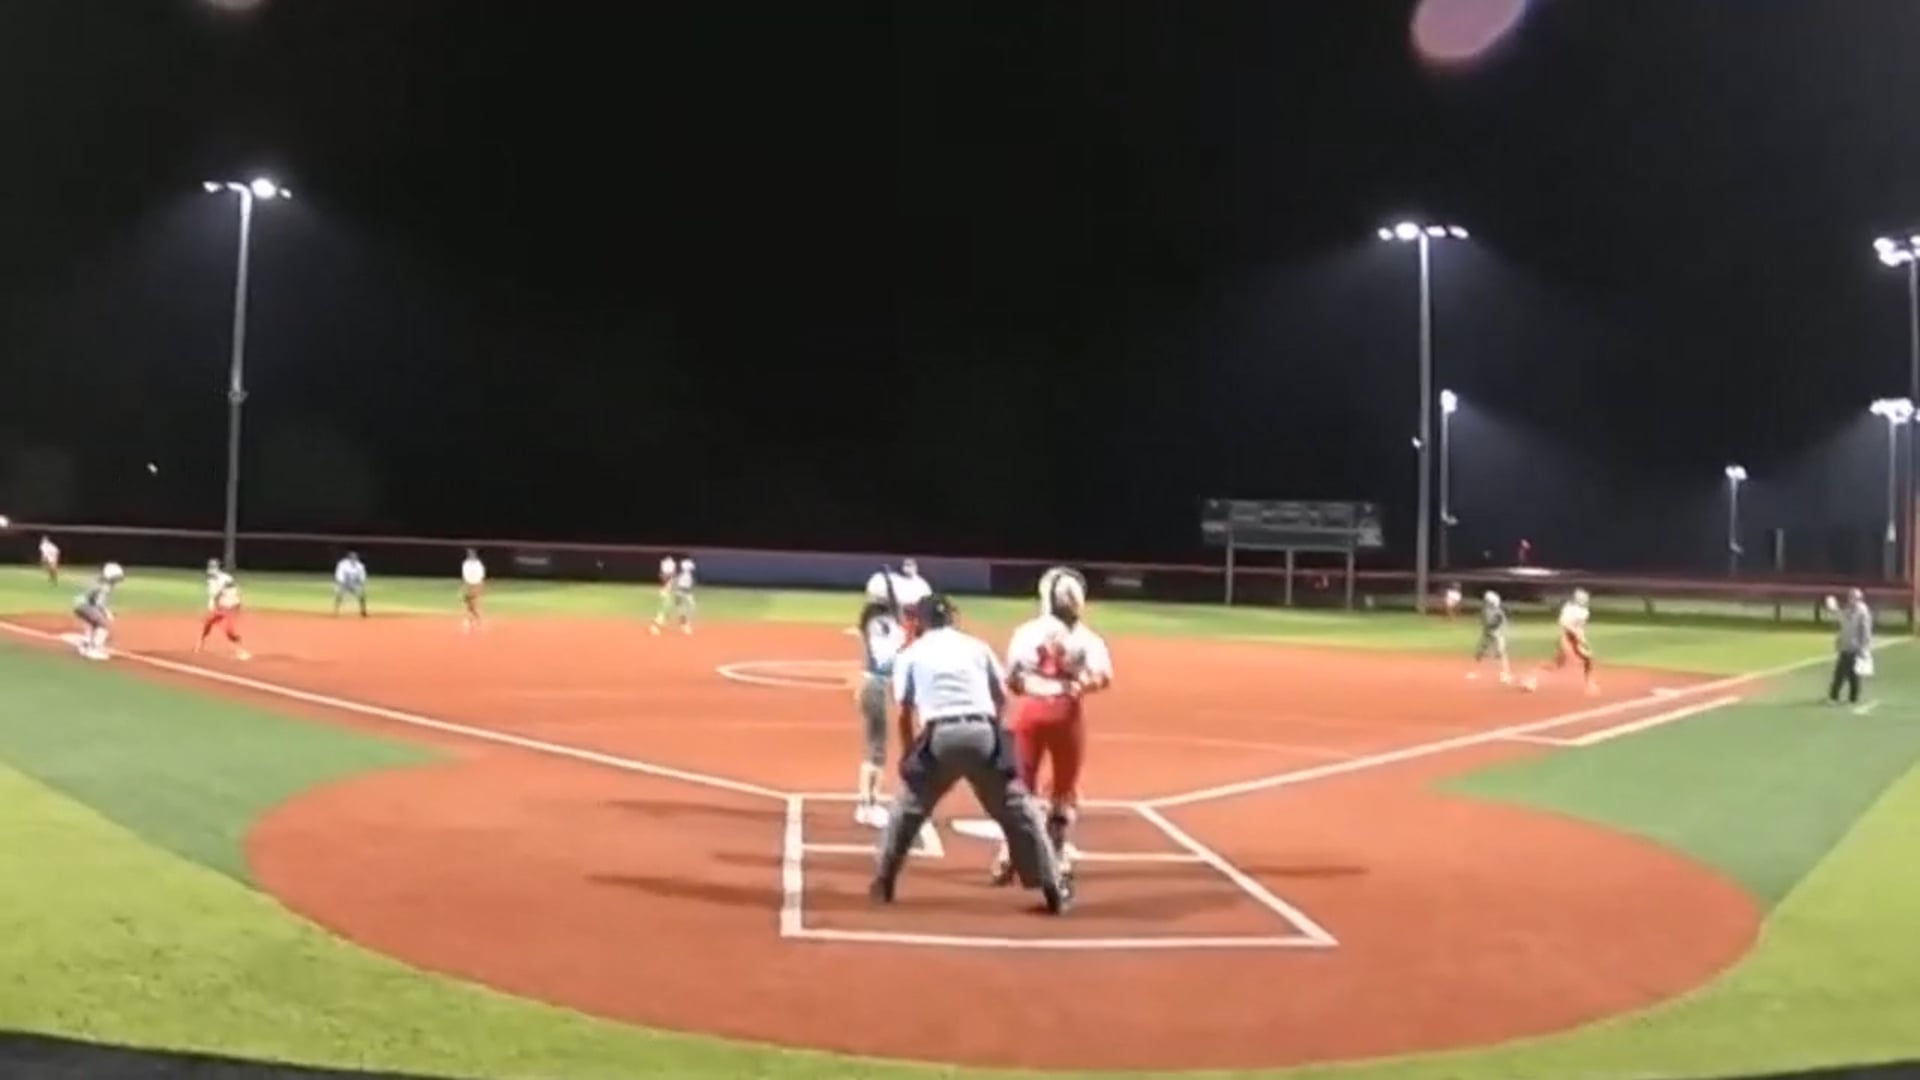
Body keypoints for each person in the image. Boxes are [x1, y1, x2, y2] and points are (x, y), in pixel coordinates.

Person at [871, 593, 1069, 914]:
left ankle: (884, 880)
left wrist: (909, 756)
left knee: (907, 809)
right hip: (983, 731)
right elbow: (1000, 696)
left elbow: (904, 713)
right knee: (1020, 811)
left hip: (941, 736)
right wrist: (993, 736)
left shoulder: (910, 653)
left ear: (921, 622)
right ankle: (1052, 887)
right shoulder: (977, 646)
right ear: (952, 618)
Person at [990, 566, 1112, 888]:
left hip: (1031, 712)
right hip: (1067, 714)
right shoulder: (1088, 638)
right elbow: (1102, 677)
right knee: (1063, 788)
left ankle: (1009, 852)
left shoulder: (1026, 632)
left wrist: (1037, 685)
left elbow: (1013, 680)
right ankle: (1057, 854)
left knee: (1022, 786)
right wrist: (1077, 684)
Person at [852, 598, 909, 826]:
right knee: (877, 749)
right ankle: (867, 806)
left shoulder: (874, 624)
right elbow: (891, 657)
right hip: (875, 687)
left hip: (871, 686)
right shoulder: (887, 627)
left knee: (876, 747)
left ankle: (867, 803)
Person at [1524, 587, 1596, 694]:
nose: (1586, 600)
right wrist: (1576, 634)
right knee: (1556, 665)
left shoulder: (1585, 612)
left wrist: (1582, 639)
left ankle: (1589, 683)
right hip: (1566, 638)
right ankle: (1533, 676)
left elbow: (1580, 627)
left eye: (1586, 598)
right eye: (1583, 598)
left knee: (1588, 659)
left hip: (1576, 639)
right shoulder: (1569, 608)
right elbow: (1564, 623)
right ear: (1577, 599)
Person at [863, 559, 931, 640]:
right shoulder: (894, 579)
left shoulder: (921, 583)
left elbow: (926, 601)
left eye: (910, 566)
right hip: (895, 612)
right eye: (907, 565)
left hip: (909, 613)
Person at [197, 559, 250, 660]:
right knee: (207, 622)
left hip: (231, 607)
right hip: (221, 606)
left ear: (218, 568)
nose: (211, 569)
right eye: (210, 567)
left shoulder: (226, 578)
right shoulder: (211, 581)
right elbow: (213, 595)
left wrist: (238, 601)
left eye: (213, 567)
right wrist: (212, 604)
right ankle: (200, 643)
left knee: (229, 631)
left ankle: (240, 649)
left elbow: (225, 591)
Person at [1828, 588, 1874, 706]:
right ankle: (1845, 697)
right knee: (1846, 673)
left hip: (1855, 647)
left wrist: (1864, 647)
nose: (1851, 600)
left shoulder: (1862, 612)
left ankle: (1841, 697)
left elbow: (1865, 630)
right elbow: (1843, 623)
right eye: (1850, 597)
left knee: (1847, 674)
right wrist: (1839, 640)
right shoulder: (1848, 609)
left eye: (1854, 597)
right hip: (1846, 646)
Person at [71, 562, 125, 661]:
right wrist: (107, 613)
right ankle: (94, 649)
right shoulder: (106, 586)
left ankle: (85, 646)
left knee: (93, 624)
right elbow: (99, 604)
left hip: (79, 605)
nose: (117, 580)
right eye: (116, 577)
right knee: (104, 625)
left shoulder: (99, 581)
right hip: (85, 606)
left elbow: (90, 596)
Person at [1466, 590, 1512, 684]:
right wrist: (1496, 622)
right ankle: (1473, 671)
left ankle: (1505, 674)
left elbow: (1503, 623)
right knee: (1480, 652)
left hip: (1497, 634)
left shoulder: (1498, 611)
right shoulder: (1486, 611)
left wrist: (1500, 625)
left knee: (1501, 653)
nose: (1486, 602)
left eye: (1487, 601)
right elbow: (1488, 623)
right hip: (1487, 634)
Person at [653, 556, 696, 634]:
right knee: (667, 610)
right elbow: (674, 584)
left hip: (677, 595)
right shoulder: (684, 576)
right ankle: (655, 626)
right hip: (673, 594)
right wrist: (666, 589)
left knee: (680, 610)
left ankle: (685, 626)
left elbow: (683, 587)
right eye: (690, 568)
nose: (692, 570)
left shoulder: (684, 575)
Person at [333, 551, 369, 617]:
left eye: (355, 558)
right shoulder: (342, 564)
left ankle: (363, 611)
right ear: (348, 558)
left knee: (361, 594)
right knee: (339, 594)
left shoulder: (360, 566)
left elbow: (362, 576)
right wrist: (342, 583)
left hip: (355, 583)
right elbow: (339, 575)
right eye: (352, 558)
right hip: (344, 583)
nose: (353, 559)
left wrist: (361, 583)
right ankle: (336, 611)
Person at [459, 548, 487, 632]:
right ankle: (474, 619)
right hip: (468, 584)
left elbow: (481, 574)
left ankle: (473, 619)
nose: (471, 555)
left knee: (473, 602)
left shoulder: (478, 564)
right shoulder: (466, 563)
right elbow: (464, 575)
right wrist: (464, 585)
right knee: (468, 603)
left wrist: (480, 584)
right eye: (469, 554)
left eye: (472, 554)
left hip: (476, 583)